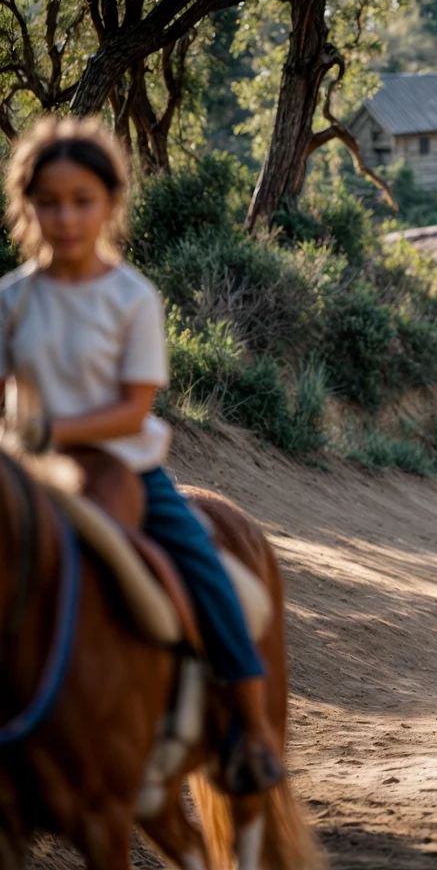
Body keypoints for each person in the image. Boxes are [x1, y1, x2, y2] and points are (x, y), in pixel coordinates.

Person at [0, 117, 282, 796]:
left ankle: (251, 729)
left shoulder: (131, 297)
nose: (65, 217)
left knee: (205, 573)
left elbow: (132, 407)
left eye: (82, 200)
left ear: (110, 204)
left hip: (123, 467)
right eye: (49, 201)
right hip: (24, 470)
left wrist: (50, 429)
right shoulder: (11, 298)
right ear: (26, 205)